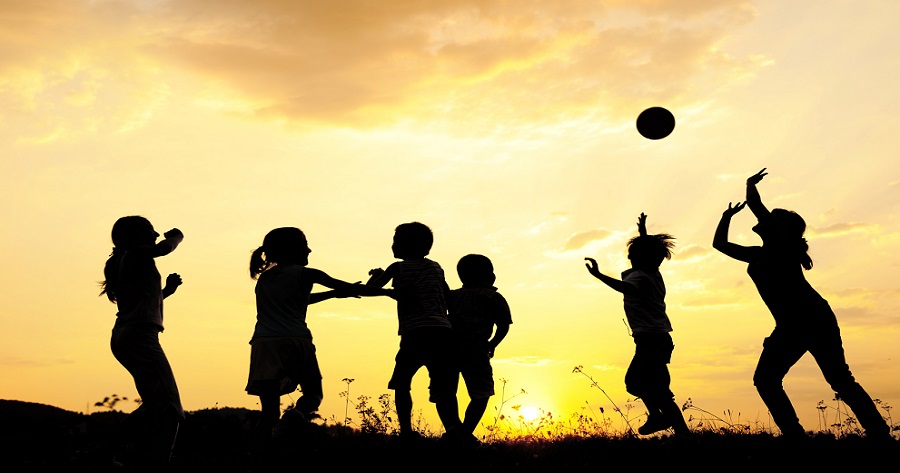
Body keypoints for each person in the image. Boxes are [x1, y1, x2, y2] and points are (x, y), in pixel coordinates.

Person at [712, 168, 891, 440]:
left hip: (810, 318)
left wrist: (749, 184)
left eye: (773, 218)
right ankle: (799, 435)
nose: (766, 218)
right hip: (796, 322)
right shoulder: (758, 254)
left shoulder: (781, 246)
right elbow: (720, 244)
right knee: (772, 380)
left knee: (831, 379)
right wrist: (726, 217)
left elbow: (756, 205)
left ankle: (874, 433)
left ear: (782, 230)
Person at [247, 227, 392, 452]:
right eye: (305, 245)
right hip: (296, 341)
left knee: (269, 413)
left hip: (263, 344)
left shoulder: (265, 278)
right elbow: (349, 288)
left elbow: (297, 299)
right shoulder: (308, 274)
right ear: (293, 250)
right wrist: (389, 292)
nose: (309, 250)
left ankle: (257, 458)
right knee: (313, 394)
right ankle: (295, 416)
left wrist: (333, 294)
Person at [584, 212, 690, 436]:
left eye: (632, 255)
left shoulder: (639, 277)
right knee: (659, 390)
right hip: (658, 339)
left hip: (650, 340)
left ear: (641, 258)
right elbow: (648, 251)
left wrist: (598, 275)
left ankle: (660, 418)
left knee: (635, 383)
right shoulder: (654, 273)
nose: (629, 258)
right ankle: (680, 432)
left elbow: (626, 288)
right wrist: (642, 232)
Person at [100, 215, 185, 468]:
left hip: (127, 335)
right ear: (134, 236)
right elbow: (164, 248)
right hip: (139, 337)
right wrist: (178, 236)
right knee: (170, 408)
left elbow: (142, 300)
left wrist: (167, 291)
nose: (156, 234)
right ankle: (158, 465)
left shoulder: (122, 261)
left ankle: (107, 454)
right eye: (150, 230)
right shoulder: (136, 255)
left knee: (153, 404)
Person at [365, 222, 459, 439]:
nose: (392, 245)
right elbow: (447, 296)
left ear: (406, 245)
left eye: (395, 241)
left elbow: (370, 290)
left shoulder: (397, 268)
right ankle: (454, 430)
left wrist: (379, 278)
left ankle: (406, 432)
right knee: (443, 387)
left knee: (402, 382)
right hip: (442, 333)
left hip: (415, 333)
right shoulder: (436, 267)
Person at [444, 254, 512, 445]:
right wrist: (493, 344)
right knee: (482, 393)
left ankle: (454, 431)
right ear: (489, 276)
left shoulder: (452, 296)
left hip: (448, 349)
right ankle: (464, 433)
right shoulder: (494, 297)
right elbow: (503, 326)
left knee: (446, 393)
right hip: (476, 351)